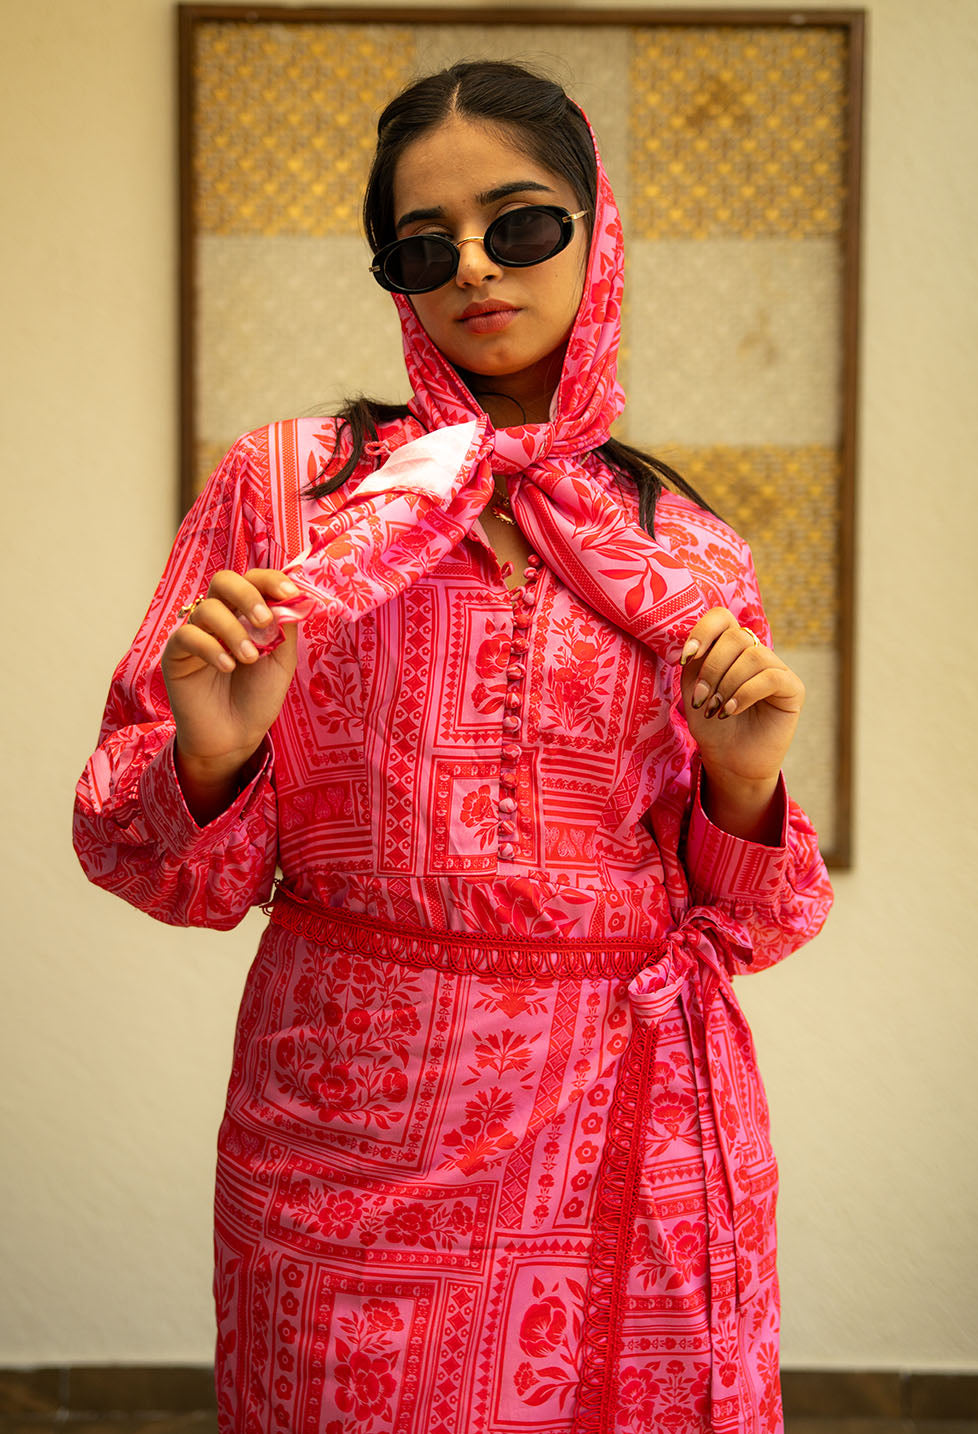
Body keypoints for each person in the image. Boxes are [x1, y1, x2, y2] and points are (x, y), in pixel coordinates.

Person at [74, 60, 832, 1434]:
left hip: (622, 1129)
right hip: (350, 1136)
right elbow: (150, 860)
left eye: (521, 222)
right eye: (426, 246)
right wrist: (215, 761)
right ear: (395, 279)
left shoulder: (685, 552)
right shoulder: (291, 495)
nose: (475, 266)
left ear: (599, 234)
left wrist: (742, 779)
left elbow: (757, 919)